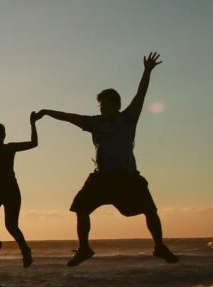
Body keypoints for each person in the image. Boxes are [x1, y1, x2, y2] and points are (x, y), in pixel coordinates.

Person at [37, 52, 178, 266]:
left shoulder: (128, 118)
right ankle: (84, 248)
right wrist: (47, 112)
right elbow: (69, 117)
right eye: (100, 105)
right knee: (81, 209)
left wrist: (147, 71)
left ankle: (159, 246)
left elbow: (141, 94)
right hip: (101, 178)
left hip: (127, 177)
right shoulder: (94, 122)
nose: (102, 108)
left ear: (116, 105)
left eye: (105, 104)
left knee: (150, 210)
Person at [0, 99, 38, 267]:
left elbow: (34, 143)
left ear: (4, 136)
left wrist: (32, 124)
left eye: (0, 134)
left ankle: (25, 250)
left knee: (11, 225)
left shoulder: (10, 148)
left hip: (10, 188)